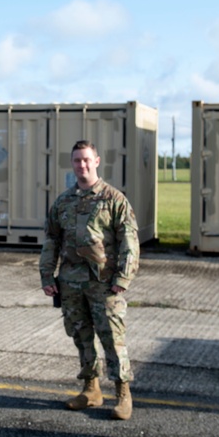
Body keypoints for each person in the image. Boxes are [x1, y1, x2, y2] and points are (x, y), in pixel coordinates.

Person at [39, 140, 140, 420]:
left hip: (104, 284)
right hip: (71, 283)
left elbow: (129, 243)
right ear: (72, 164)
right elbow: (51, 241)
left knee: (112, 338)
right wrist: (47, 275)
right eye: (76, 161)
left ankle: (123, 393)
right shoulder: (63, 202)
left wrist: (123, 277)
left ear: (96, 161)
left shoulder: (114, 199)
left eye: (86, 160)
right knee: (81, 337)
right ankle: (91, 389)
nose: (81, 165)